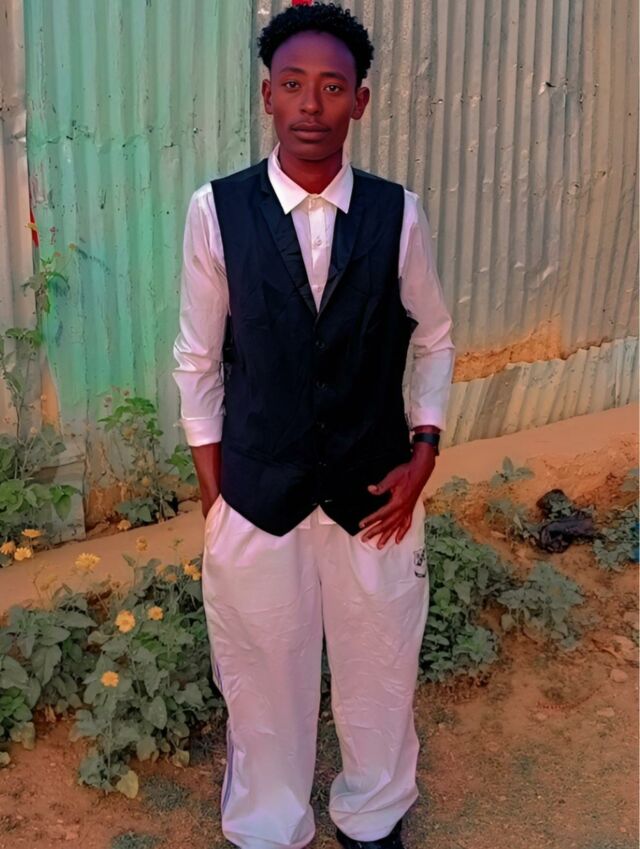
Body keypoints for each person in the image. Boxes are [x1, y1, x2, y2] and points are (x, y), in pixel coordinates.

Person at [172, 4, 455, 847]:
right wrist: (219, 497)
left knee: (380, 662)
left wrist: (424, 453)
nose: (310, 104)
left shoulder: (398, 214)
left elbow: (435, 338)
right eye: (293, 84)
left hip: (376, 493)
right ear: (267, 95)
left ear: (360, 102)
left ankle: (373, 814)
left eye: (332, 87)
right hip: (257, 495)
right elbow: (197, 359)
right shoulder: (216, 211)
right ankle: (269, 823)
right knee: (261, 672)